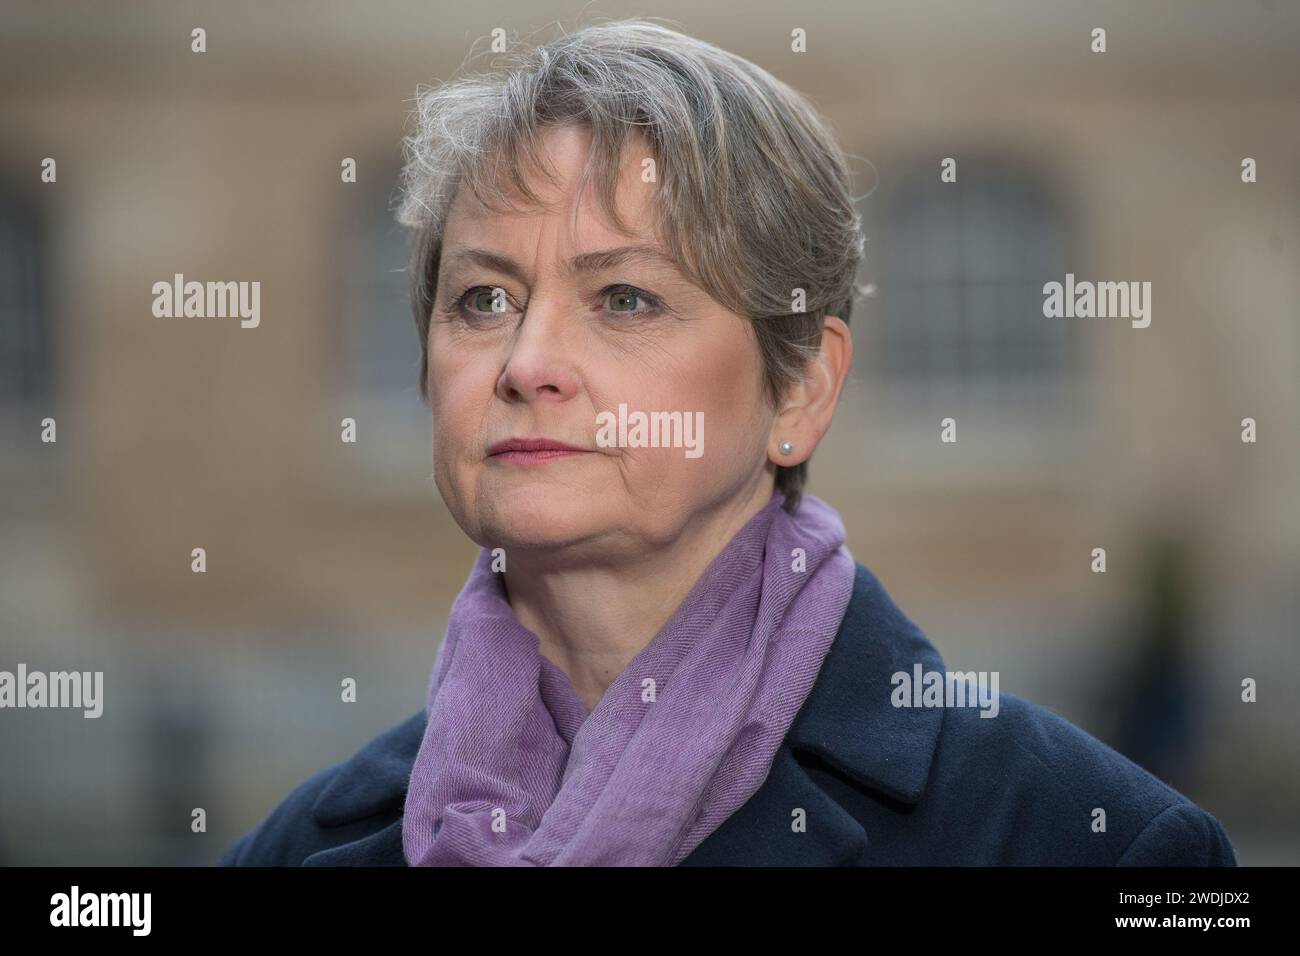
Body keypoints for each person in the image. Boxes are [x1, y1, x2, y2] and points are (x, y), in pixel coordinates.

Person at [220, 19, 1235, 866]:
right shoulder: (298, 844)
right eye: (483, 298)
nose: (526, 363)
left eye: (623, 298)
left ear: (800, 385)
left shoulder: (1087, 841)